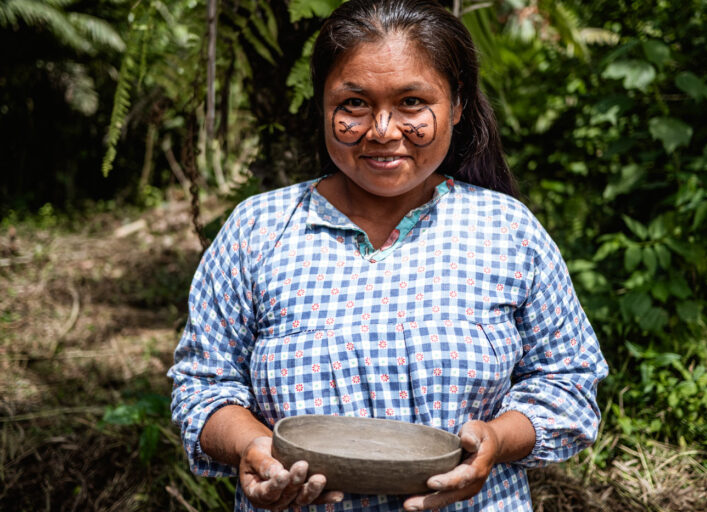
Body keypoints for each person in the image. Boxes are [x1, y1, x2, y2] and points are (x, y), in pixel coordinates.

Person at [168, 0, 608, 510]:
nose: (382, 129)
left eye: (412, 102)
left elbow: (569, 382)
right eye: (353, 103)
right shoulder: (258, 230)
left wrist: (498, 441)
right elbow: (204, 385)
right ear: (322, 105)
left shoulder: (508, 231)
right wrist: (252, 447)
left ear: (457, 106)